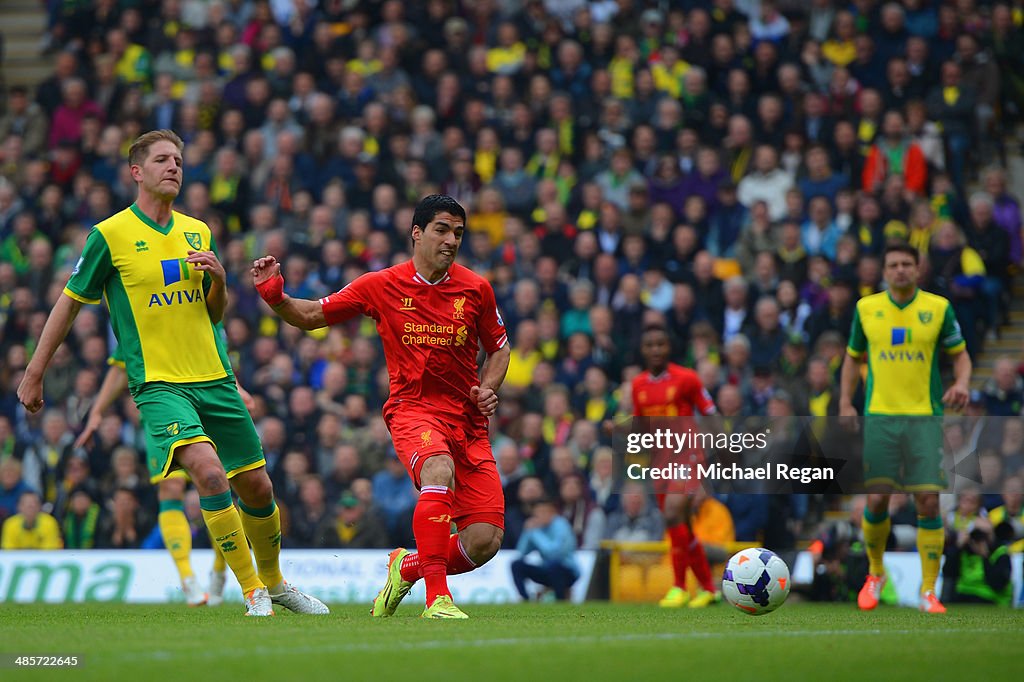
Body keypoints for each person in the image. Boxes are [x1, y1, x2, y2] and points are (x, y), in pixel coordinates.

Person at [17, 129, 327, 618]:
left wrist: (221, 281)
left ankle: (277, 583)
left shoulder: (197, 230)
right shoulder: (110, 235)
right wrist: (35, 372)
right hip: (160, 385)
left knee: (259, 488)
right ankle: (252, 592)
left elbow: (213, 315)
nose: (174, 167)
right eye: (162, 159)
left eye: (179, 160)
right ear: (137, 171)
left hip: (215, 379)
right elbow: (69, 303)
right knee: (206, 472)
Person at [254, 194, 510, 619]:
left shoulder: (476, 288)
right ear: (417, 232)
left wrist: (488, 386)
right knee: (437, 469)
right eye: (442, 230)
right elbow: (314, 315)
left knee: (484, 540)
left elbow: (499, 349)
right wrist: (276, 298)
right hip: (414, 410)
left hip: (467, 421)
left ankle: (405, 567)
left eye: (459, 233)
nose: (451, 241)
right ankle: (438, 600)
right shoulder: (381, 285)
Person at [840, 243, 972, 614]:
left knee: (927, 501)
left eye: (906, 264)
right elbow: (852, 359)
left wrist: (961, 383)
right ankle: (875, 573)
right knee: (878, 498)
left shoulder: (938, 308)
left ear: (918, 269)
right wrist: (845, 403)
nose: (899, 270)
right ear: (884, 271)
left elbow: (960, 354)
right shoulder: (867, 309)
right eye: (893, 264)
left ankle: (929, 590)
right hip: (880, 416)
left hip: (923, 418)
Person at [74, 342, 254, 607]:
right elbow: (120, 367)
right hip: (161, 408)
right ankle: (187, 579)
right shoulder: (138, 317)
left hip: (204, 402)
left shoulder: (193, 309)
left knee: (219, 485)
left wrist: (238, 389)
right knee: (170, 489)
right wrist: (97, 411)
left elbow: (216, 352)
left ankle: (219, 570)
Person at [630, 325, 720, 608]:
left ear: (669, 348)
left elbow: (711, 414)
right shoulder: (638, 385)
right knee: (682, 526)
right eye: (650, 345)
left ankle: (679, 587)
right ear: (643, 350)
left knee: (672, 514)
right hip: (660, 463)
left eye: (661, 344)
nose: (656, 350)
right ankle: (707, 589)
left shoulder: (687, 379)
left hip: (687, 457)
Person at [511, 497, 580, 601]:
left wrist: (534, 532)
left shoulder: (561, 525)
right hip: (547, 570)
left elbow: (554, 553)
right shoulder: (538, 527)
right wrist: (527, 531)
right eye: (537, 513)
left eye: (543, 512)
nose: (539, 516)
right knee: (516, 565)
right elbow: (522, 552)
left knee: (555, 566)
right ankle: (525, 599)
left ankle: (560, 601)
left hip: (567, 571)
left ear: (552, 512)